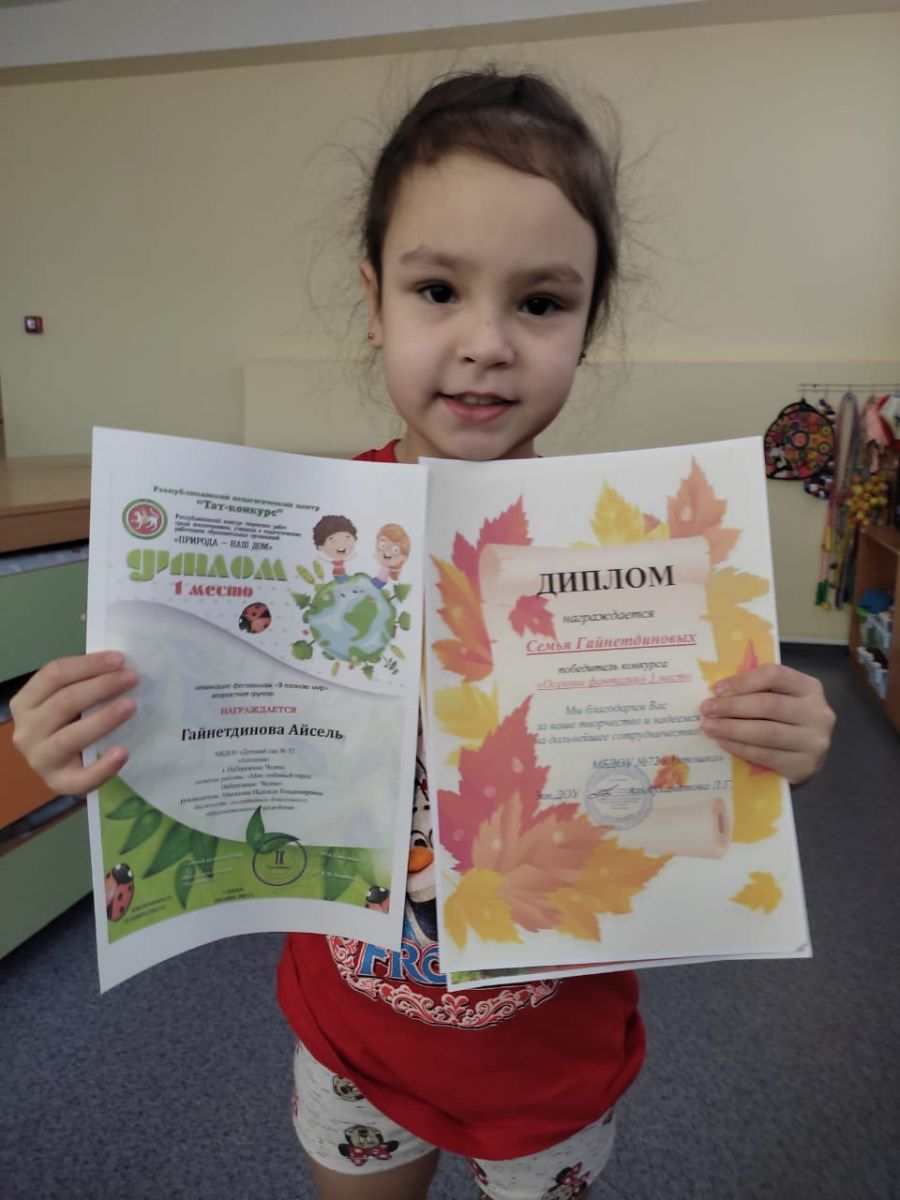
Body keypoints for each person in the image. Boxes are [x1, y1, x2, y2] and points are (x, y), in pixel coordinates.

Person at [10, 67, 836, 1200]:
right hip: (353, 1048)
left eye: (540, 303)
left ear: (589, 320)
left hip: (550, 1069)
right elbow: (188, 736)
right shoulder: (298, 541)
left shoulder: (635, 555)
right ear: (374, 299)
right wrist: (83, 736)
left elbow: (683, 807)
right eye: (438, 289)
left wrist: (771, 746)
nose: (486, 342)